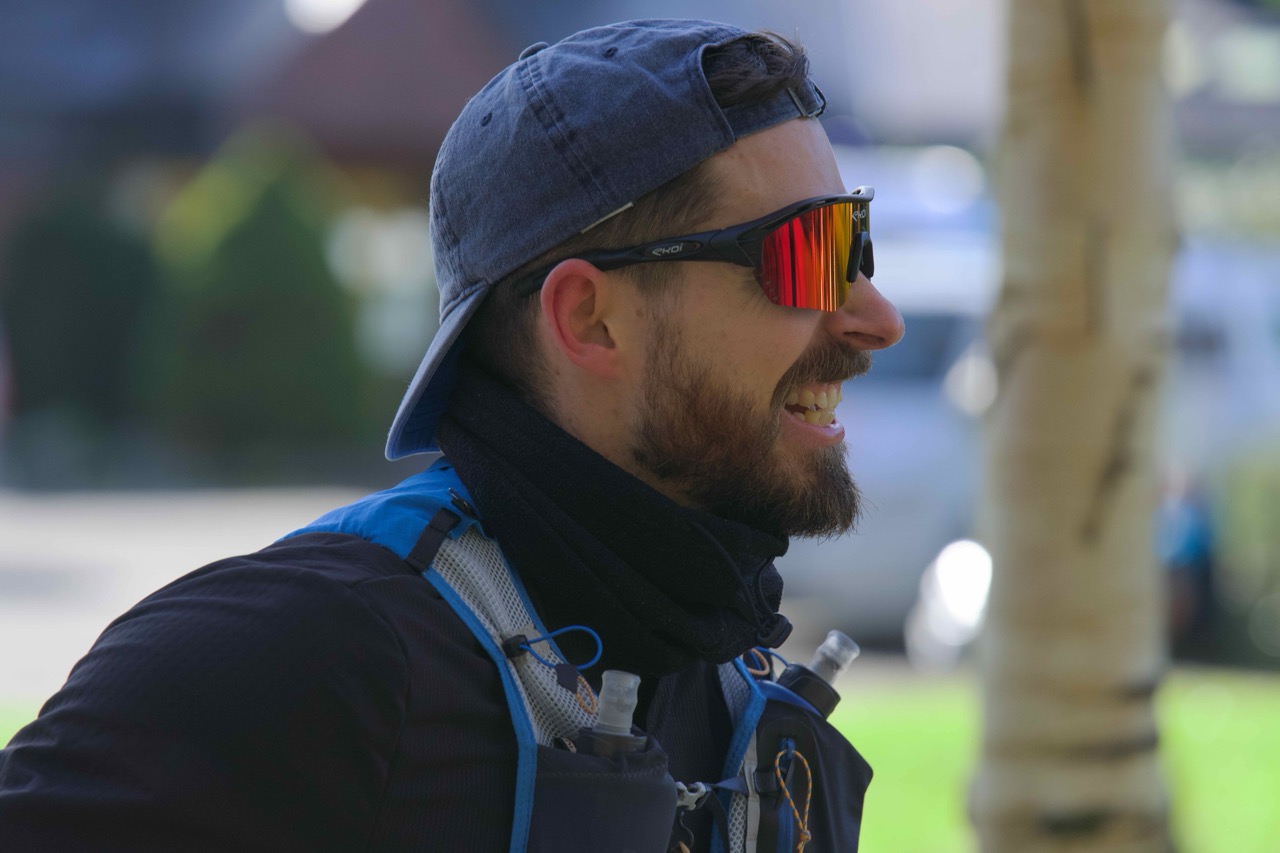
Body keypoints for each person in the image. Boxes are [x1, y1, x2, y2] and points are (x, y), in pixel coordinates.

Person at [0, 19, 902, 852]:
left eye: (855, 243)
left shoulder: (718, 666)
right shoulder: (302, 653)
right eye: (808, 253)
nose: (878, 318)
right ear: (588, 318)